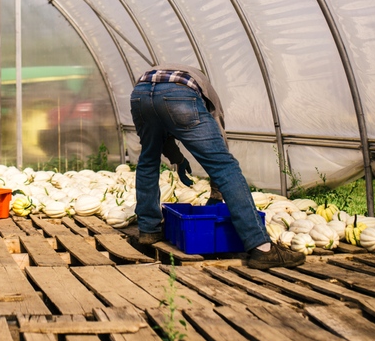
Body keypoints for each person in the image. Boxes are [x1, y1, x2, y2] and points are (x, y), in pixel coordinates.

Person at [130, 64, 304, 269]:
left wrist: (177, 159)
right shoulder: (203, 86)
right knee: (225, 166)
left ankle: (148, 229)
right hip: (178, 94)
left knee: (148, 161)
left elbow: (159, 126)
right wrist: (216, 192)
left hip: (139, 94)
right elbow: (219, 142)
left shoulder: (161, 73)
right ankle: (261, 247)